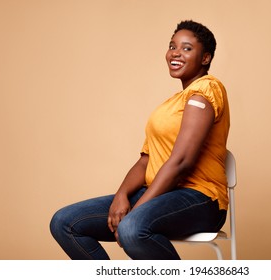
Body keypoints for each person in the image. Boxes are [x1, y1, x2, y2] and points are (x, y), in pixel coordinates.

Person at [50, 20, 230, 260]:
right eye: (172, 46)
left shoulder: (207, 89)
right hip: (161, 193)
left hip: (200, 199)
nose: (176, 53)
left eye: (187, 48)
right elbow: (146, 161)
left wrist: (138, 208)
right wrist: (121, 196)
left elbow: (182, 162)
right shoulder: (169, 106)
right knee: (65, 223)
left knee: (132, 228)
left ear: (205, 58)